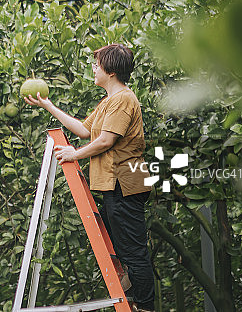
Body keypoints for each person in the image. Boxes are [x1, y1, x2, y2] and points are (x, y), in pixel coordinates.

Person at [23, 43, 155, 312]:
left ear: (111, 71)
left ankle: (145, 307)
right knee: (121, 243)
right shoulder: (109, 101)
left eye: (97, 65)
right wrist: (48, 105)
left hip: (125, 181)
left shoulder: (123, 100)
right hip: (116, 183)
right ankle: (133, 288)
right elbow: (84, 130)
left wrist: (75, 154)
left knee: (134, 252)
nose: (94, 69)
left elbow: (106, 140)